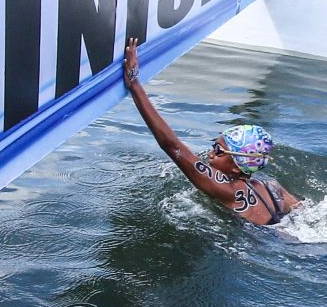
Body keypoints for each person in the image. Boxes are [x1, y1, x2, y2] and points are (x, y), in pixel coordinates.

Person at [122, 38, 299, 226]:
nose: (211, 153)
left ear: (236, 167)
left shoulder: (227, 190)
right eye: (215, 145)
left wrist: (134, 83)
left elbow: (172, 147)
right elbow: (300, 209)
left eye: (219, 151)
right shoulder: (271, 186)